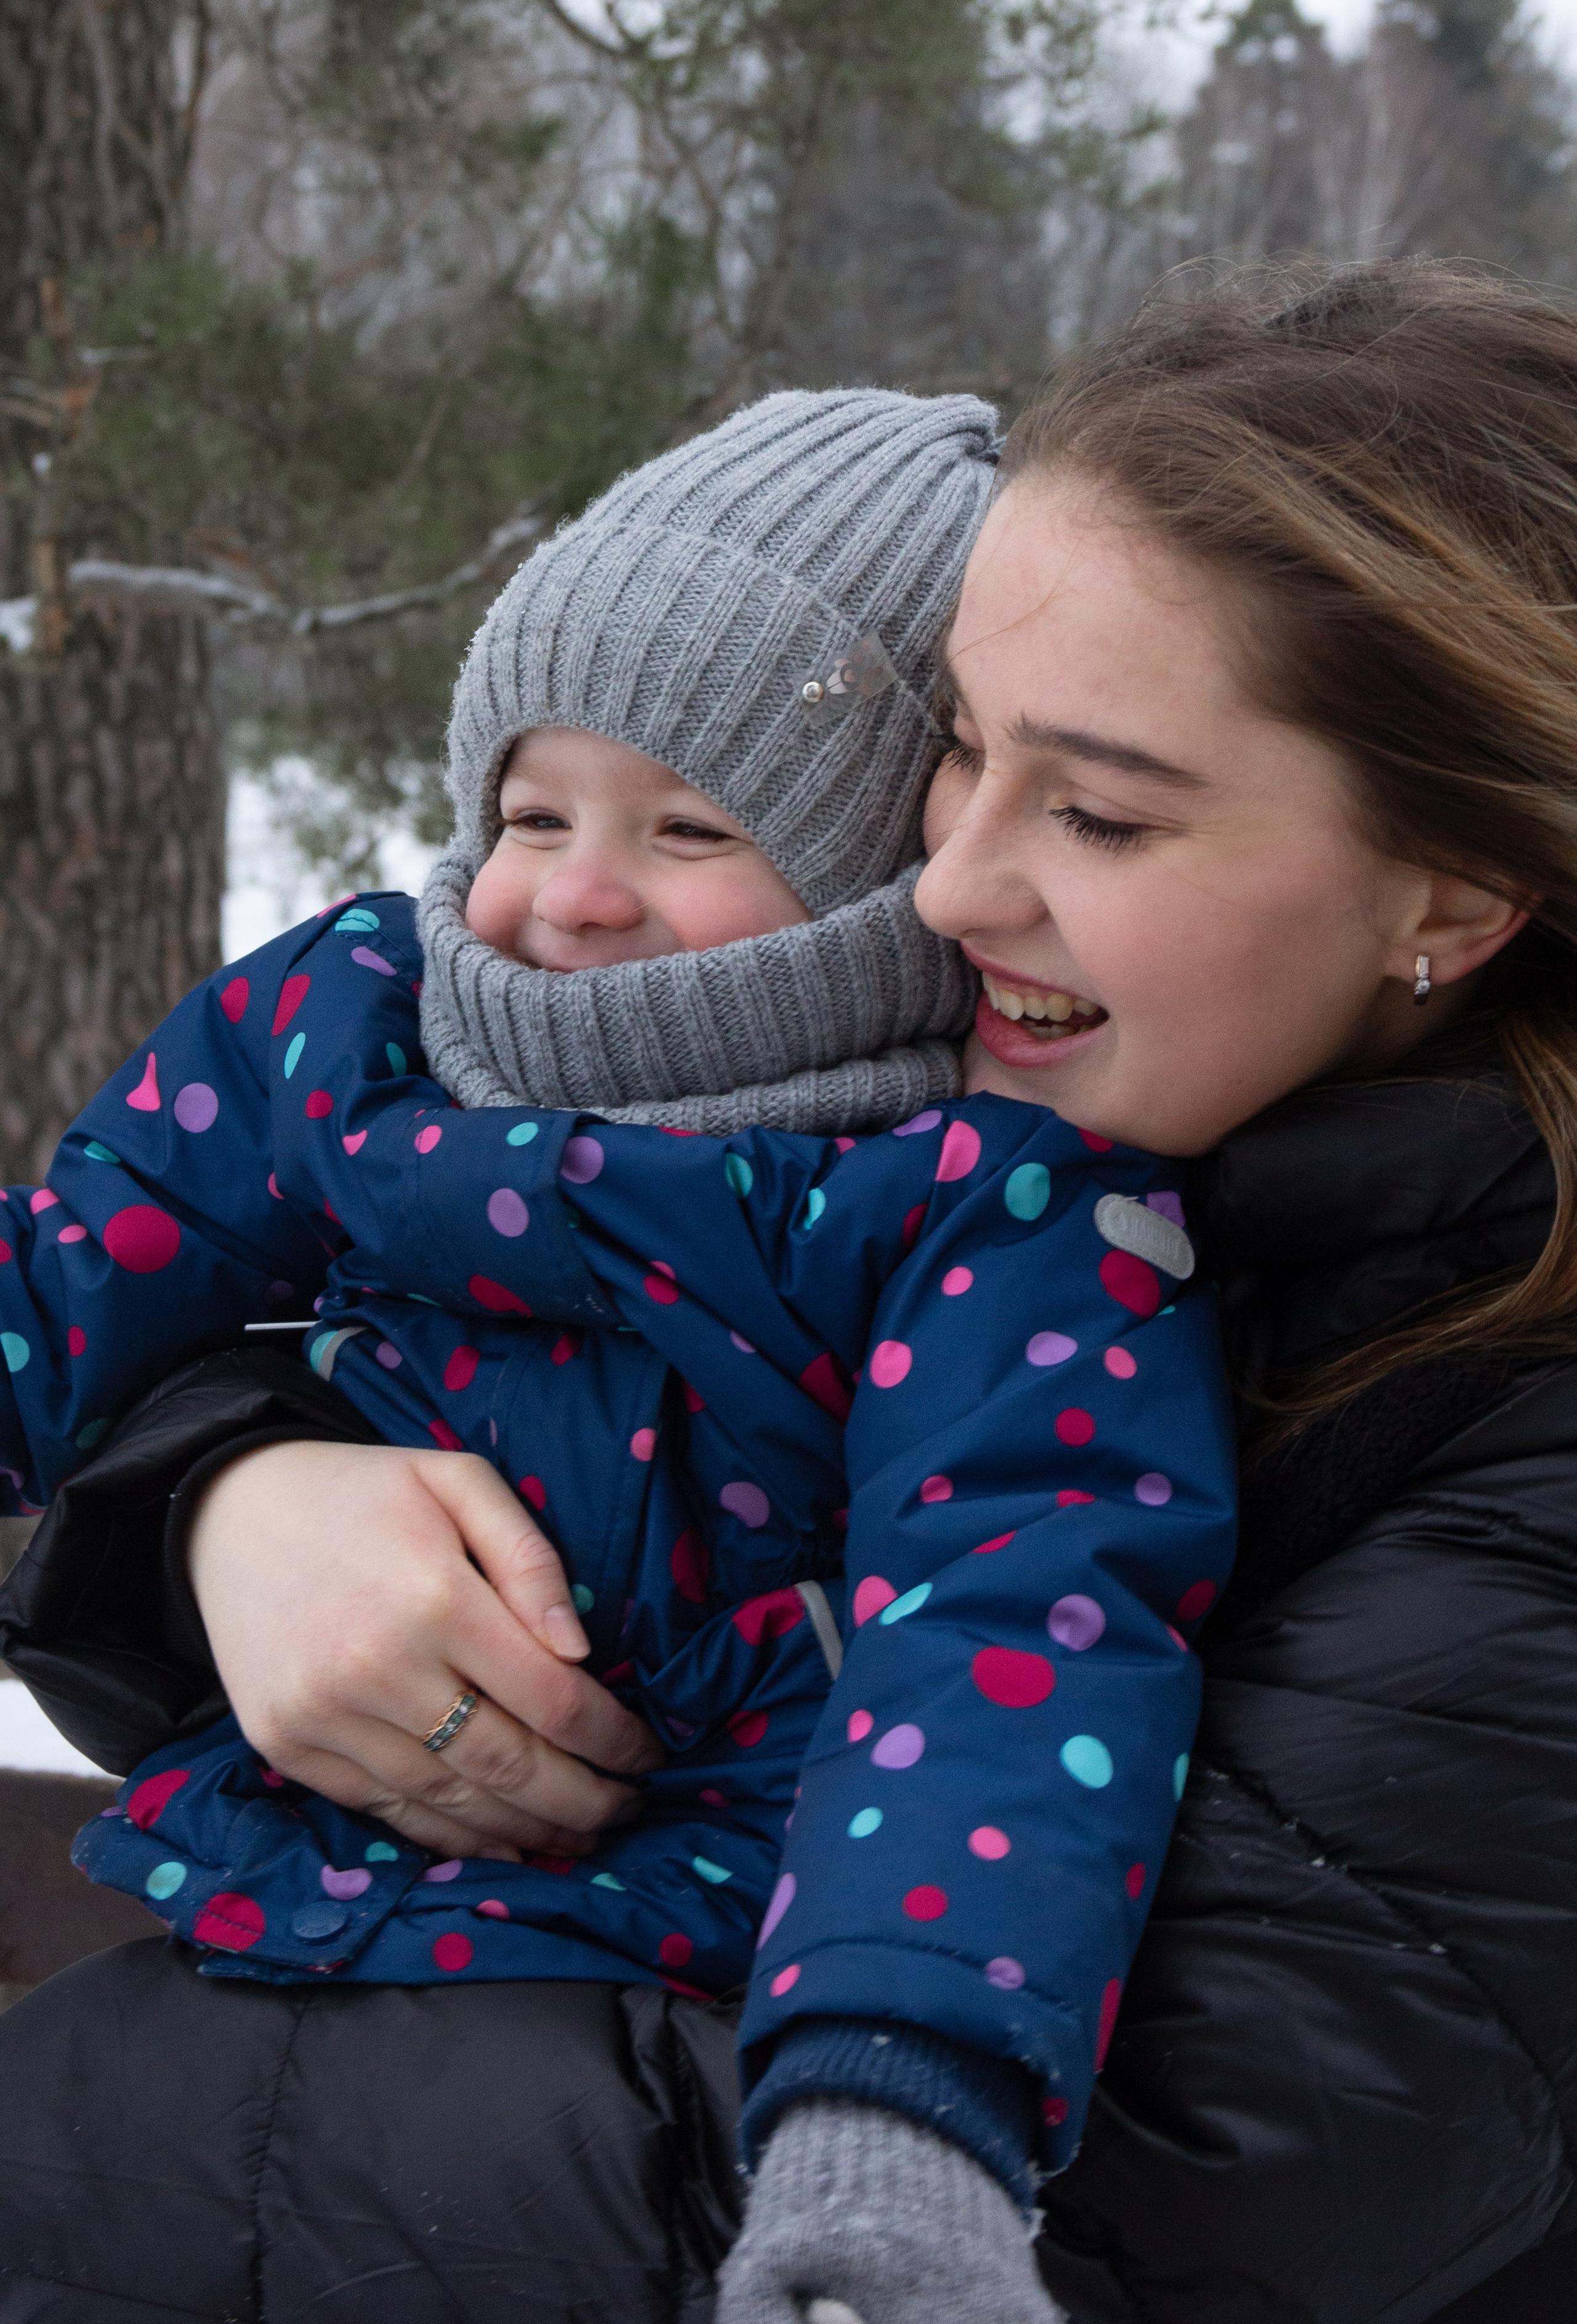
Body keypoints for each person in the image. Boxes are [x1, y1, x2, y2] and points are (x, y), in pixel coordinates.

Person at [4, 258, 1577, 2323]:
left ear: (1453, 893)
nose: (937, 885)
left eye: (1095, 805)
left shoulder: (1423, 1400)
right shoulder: (1008, 1145)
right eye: (959, 758)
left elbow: (1133, 2209)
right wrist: (231, 1497)